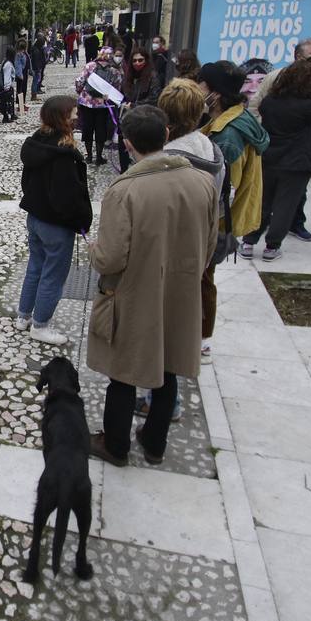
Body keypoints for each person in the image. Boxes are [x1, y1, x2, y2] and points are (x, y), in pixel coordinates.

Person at [87, 106, 218, 467]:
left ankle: (115, 445)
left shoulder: (125, 190)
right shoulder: (202, 182)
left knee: (124, 373)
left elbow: (110, 258)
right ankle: (155, 443)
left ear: (127, 144)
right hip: (181, 290)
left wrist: (94, 251)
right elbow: (210, 245)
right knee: (168, 367)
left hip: (134, 293)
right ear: (166, 136)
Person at [134, 79, 224, 420]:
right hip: (197, 251)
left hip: (165, 256)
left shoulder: (169, 161)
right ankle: (166, 398)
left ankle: (161, 402)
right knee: (176, 330)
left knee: (158, 333)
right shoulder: (211, 150)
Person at [200, 62, 269, 344]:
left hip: (214, 221)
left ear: (214, 94)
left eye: (201, 85)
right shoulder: (230, 120)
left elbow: (221, 190)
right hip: (217, 218)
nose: (197, 89)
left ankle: (201, 338)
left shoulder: (227, 135)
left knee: (202, 279)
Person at [16, 95, 93, 346]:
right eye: (73, 113)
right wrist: (81, 221)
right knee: (53, 274)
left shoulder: (36, 143)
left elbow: (26, 181)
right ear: (62, 117)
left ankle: (23, 316)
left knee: (35, 266)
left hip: (35, 217)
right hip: (56, 225)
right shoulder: (64, 154)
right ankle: (40, 326)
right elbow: (69, 196)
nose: (76, 117)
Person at [241, 61, 311, 261]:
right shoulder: (308, 105)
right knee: (286, 204)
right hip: (297, 161)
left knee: (262, 201)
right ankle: (272, 247)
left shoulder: (270, 102)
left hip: (269, 157)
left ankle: (249, 241)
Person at [77, 48, 118, 166]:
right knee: (101, 130)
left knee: (87, 129)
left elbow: (80, 81)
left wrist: (82, 94)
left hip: (87, 103)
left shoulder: (90, 66)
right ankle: (99, 157)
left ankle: (89, 156)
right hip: (103, 105)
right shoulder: (114, 70)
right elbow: (117, 87)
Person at [0, 46, 18, 123]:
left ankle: (11, 114)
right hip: (7, 86)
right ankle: (6, 117)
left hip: (7, 85)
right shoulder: (8, 64)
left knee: (9, 101)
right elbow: (7, 76)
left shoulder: (5, 61)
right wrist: (7, 87)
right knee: (6, 102)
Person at [14, 38, 30, 115]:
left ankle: (22, 104)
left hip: (24, 74)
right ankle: (21, 107)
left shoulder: (24, 53)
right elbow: (18, 65)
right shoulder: (19, 54)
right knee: (20, 91)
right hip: (21, 74)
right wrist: (20, 75)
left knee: (23, 90)